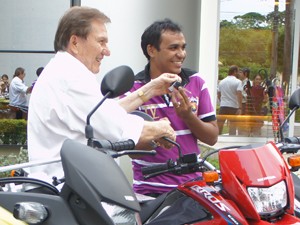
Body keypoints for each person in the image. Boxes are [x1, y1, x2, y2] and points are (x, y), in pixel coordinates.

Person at [27, 6, 179, 182]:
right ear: (75, 43)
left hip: (74, 189)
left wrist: (151, 89)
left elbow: (102, 113)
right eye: (101, 42)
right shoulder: (70, 77)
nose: (107, 51)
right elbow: (118, 127)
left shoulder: (63, 70)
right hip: (75, 194)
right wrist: (162, 128)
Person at [121, 19, 218, 197]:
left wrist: (189, 117)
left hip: (194, 189)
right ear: (151, 50)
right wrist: (156, 134)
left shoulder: (196, 82)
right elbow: (131, 150)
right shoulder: (133, 90)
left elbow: (212, 138)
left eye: (183, 47)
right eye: (173, 48)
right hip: (150, 191)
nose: (181, 54)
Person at [217, 65, 243, 135]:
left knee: (220, 124)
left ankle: (218, 138)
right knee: (233, 126)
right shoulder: (238, 82)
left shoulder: (222, 82)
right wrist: (240, 107)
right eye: (237, 71)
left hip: (223, 106)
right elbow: (239, 94)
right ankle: (232, 138)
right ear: (234, 72)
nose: (238, 73)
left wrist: (222, 101)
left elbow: (219, 94)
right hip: (233, 106)